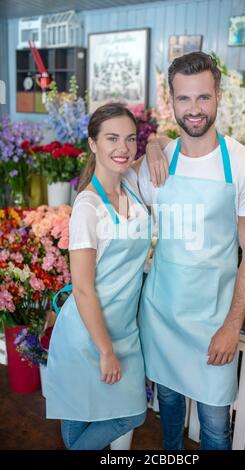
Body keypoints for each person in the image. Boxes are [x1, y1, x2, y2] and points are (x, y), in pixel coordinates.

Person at [138, 52, 245, 450]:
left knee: (214, 426)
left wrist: (232, 326)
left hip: (215, 321)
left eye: (203, 98)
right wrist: (154, 144)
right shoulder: (158, 163)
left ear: (218, 96)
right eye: (184, 99)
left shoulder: (244, 164)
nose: (193, 110)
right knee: (169, 413)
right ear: (171, 101)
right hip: (161, 315)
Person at [45, 103, 151, 450]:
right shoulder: (88, 208)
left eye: (130, 139)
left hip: (124, 330)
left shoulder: (131, 185)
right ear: (93, 144)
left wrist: (156, 141)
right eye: (111, 138)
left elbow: (160, 146)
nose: (123, 148)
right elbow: (84, 289)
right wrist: (105, 351)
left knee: (131, 413)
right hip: (87, 337)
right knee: (85, 419)